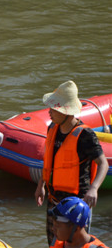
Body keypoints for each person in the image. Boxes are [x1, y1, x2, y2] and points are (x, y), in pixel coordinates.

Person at [35, 81, 108, 246]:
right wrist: (41, 184)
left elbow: (103, 163)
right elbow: (49, 161)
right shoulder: (52, 128)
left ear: (66, 112)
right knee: (53, 242)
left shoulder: (85, 135)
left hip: (76, 204)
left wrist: (94, 188)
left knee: (74, 244)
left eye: (54, 109)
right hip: (54, 200)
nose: (49, 112)